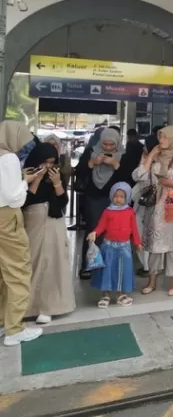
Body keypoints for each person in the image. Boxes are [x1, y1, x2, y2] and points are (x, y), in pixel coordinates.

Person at [134, 126, 173, 296]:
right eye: (160, 137)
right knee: (155, 246)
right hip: (155, 208)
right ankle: (152, 280)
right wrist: (150, 157)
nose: (161, 141)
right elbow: (137, 176)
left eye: (164, 138)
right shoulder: (152, 157)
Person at [0, 122, 45, 346]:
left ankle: (3, 323)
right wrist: (25, 182)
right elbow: (13, 196)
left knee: (2, 272)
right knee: (18, 270)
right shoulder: (8, 158)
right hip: (7, 216)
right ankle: (14, 330)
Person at [22, 142, 75, 325]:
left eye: (52, 162)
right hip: (33, 221)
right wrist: (35, 179)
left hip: (54, 222)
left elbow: (63, 202)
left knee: (53, 263)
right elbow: (25, 201)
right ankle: (26, 306)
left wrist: (58, 183)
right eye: (45, 162)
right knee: (31, 261)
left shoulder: (56, 174)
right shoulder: (27, 173)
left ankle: (49, 307)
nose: (49, 166)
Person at [80, 128, 127, 279]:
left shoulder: (123, 156)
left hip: (115, 200)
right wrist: (92, 163)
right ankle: (89, 265)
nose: (107, 148)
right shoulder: (90, 152)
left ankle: (109, 266)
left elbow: (128, 179)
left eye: (111, 145)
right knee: (93, 230)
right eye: (105, 144)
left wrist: (116, 164)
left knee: (113, 232)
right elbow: (79, 171)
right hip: (93, 198)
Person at [87, 182, 142, 308]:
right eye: (116, 196)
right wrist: (94, 233)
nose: (118, 199)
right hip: (109, 247)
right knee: (107, 271)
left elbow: (134, 229)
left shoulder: (130, 212)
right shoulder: (107, 211)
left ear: (127, 197)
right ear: (111, 196)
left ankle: (120, 294)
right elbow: (101, 226)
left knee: (122, 272)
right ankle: (105, 294)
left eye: (122, 197)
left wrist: (137, 243)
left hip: (124, 248)